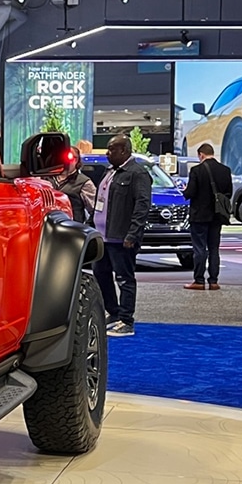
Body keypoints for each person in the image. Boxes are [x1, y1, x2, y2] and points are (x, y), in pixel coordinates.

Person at [91, 134, 152, 337]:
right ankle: (114, 313)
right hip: (102, 236)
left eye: (111, 150)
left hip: (121, 237)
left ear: (124, 151)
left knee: (124, 279)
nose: (108, 154)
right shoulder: (110, 172)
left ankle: (127, 320)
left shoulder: (137, 173)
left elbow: (142, 206)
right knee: (101, 274)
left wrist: (133, 234)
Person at [182, 142, 233, 291]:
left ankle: (198, 280)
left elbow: (190, 192)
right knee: (214, 248)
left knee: (199, 249)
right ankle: (213, 281)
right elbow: (228, 192)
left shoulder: (196, 170)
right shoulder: (225, 170)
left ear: (201, 155)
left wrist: (184, 191)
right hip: (217, 216)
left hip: (199, 216)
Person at [49, 149, 96, 223]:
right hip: (47, 228)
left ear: (77, 160)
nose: (64, 161)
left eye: (69, 157)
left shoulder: (84, 182)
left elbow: (94, 210)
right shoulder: (46, 179)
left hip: (72, 228)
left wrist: (86, 227)